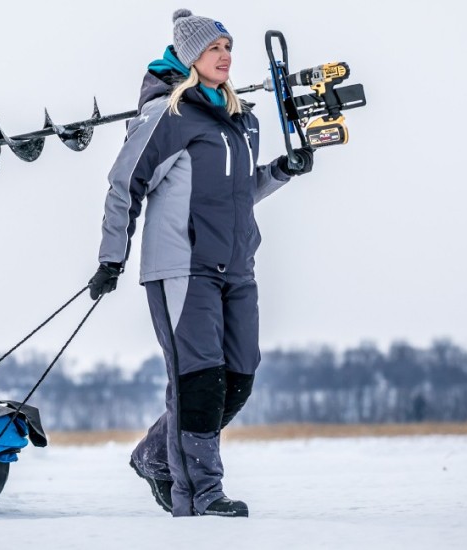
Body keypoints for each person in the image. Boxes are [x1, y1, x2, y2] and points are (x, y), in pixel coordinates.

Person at [87, 8, 314, 518]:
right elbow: (125, 185)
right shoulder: (166, 116)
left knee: (240, 376)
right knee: (199, 380)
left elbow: (234, 195)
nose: (226, 56)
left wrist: (281, 170)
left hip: (236, 267)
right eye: (215, 49)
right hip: (181, 267)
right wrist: (111, 257)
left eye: (229, 47)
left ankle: (153, 455)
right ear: (192, 57)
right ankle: (202, 495)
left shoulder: (240, 120)